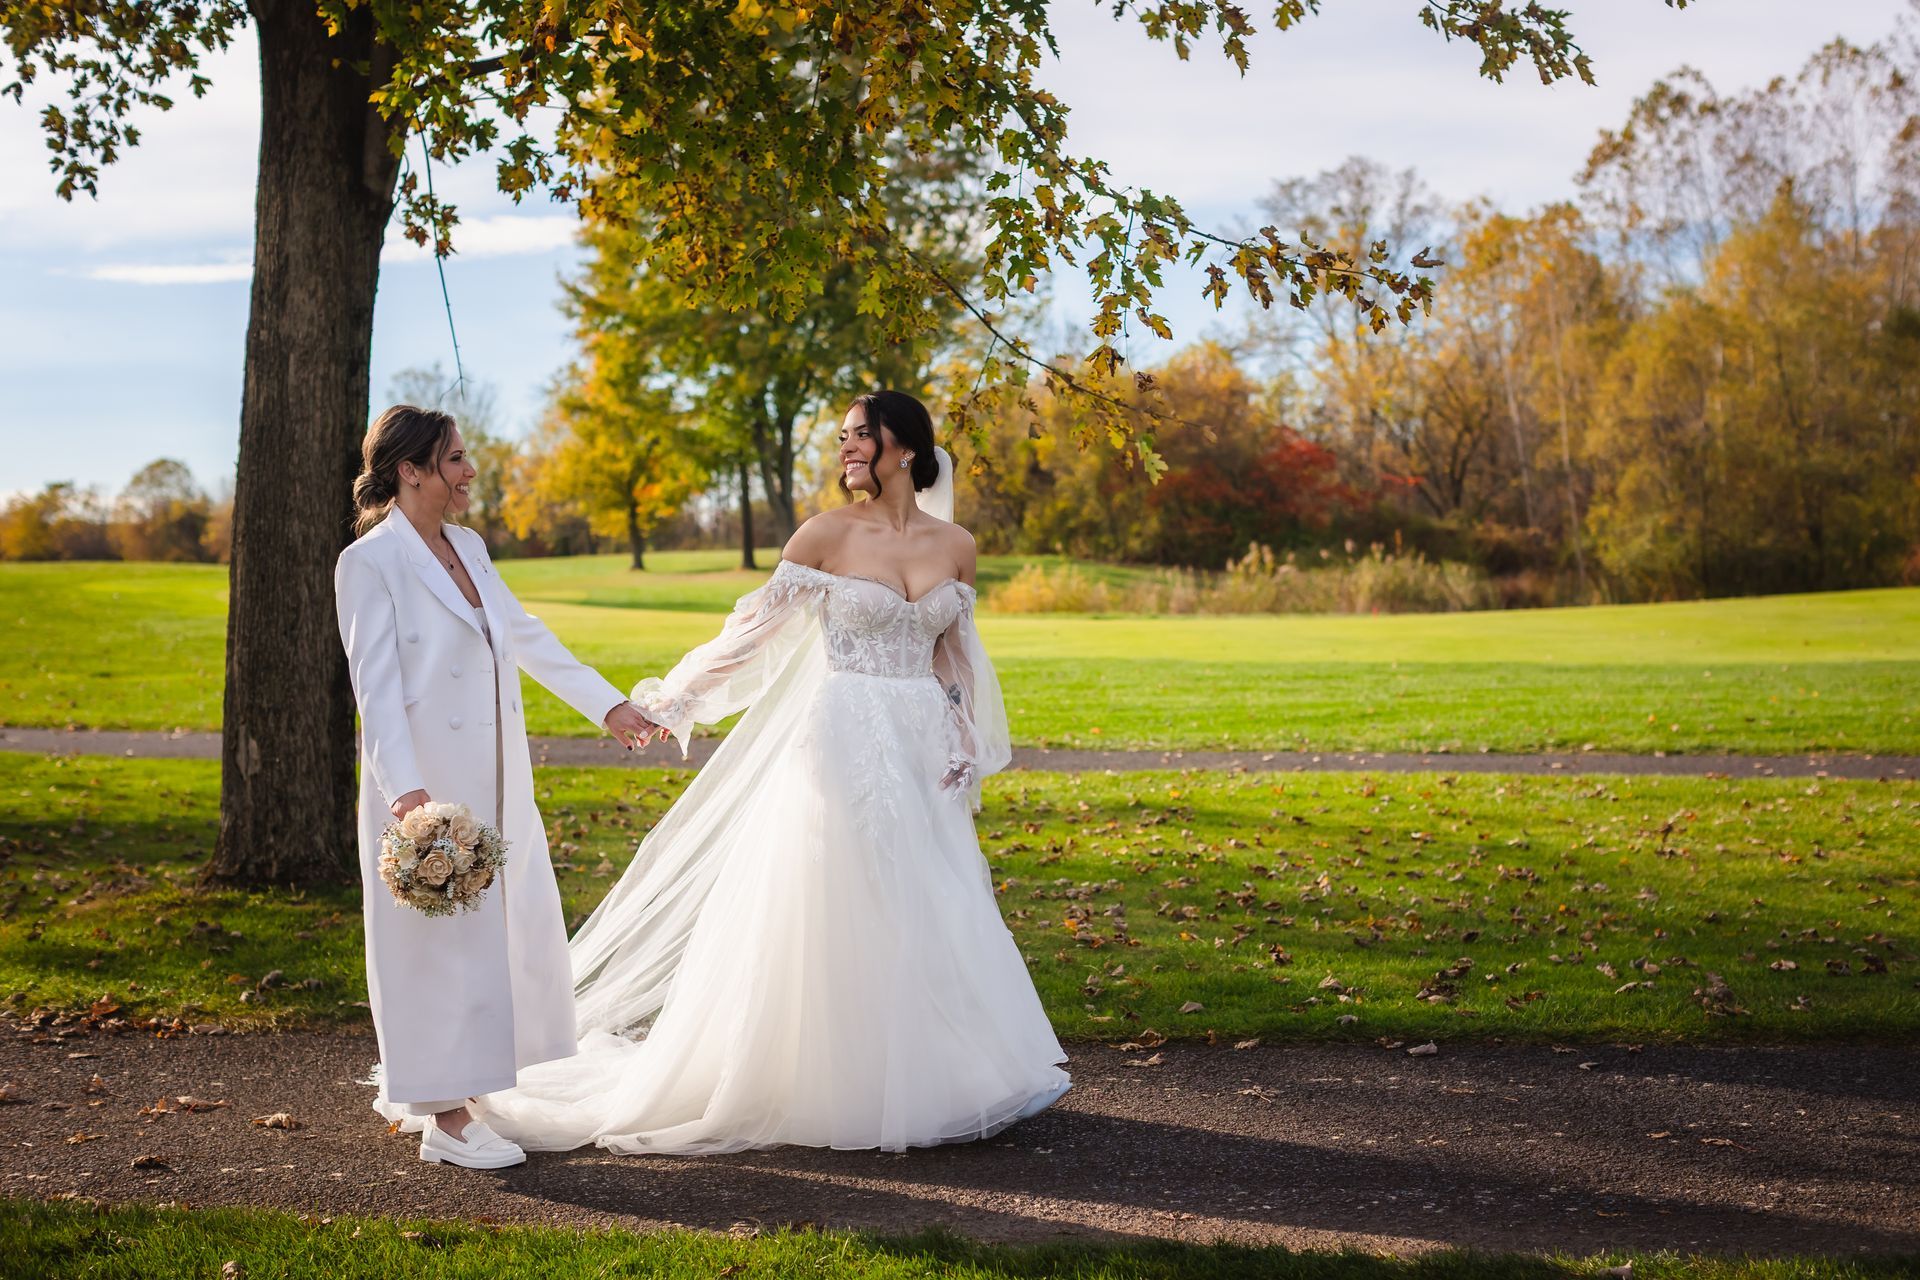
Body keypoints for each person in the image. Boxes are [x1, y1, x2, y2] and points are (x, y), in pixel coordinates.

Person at [474, 389, 1070, 1154]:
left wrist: (961, 740)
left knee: (930, 900)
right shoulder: (824, 535)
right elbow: (749, 633)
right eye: (844, 438)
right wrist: (673, 698)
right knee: (846, 898)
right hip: (846, 737)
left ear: (907, 449)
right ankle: (834, 1081)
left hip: (922, 743)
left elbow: (954, 657)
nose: (848, 449)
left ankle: (938, 1075)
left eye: (862, 436)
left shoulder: (956, 545)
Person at [335, 404, 662, 1169]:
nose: (468, 471)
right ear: (409, 470)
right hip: (422, 790)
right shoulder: (369, 563)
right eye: (453, 459)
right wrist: (406, 796)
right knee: (430, 946)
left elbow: (523, 633)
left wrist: (607, 704)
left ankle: (469, 1092)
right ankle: (445, 1121)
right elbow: (373, 689)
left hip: (495, 780)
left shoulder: (471, 547)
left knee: (488, 939)